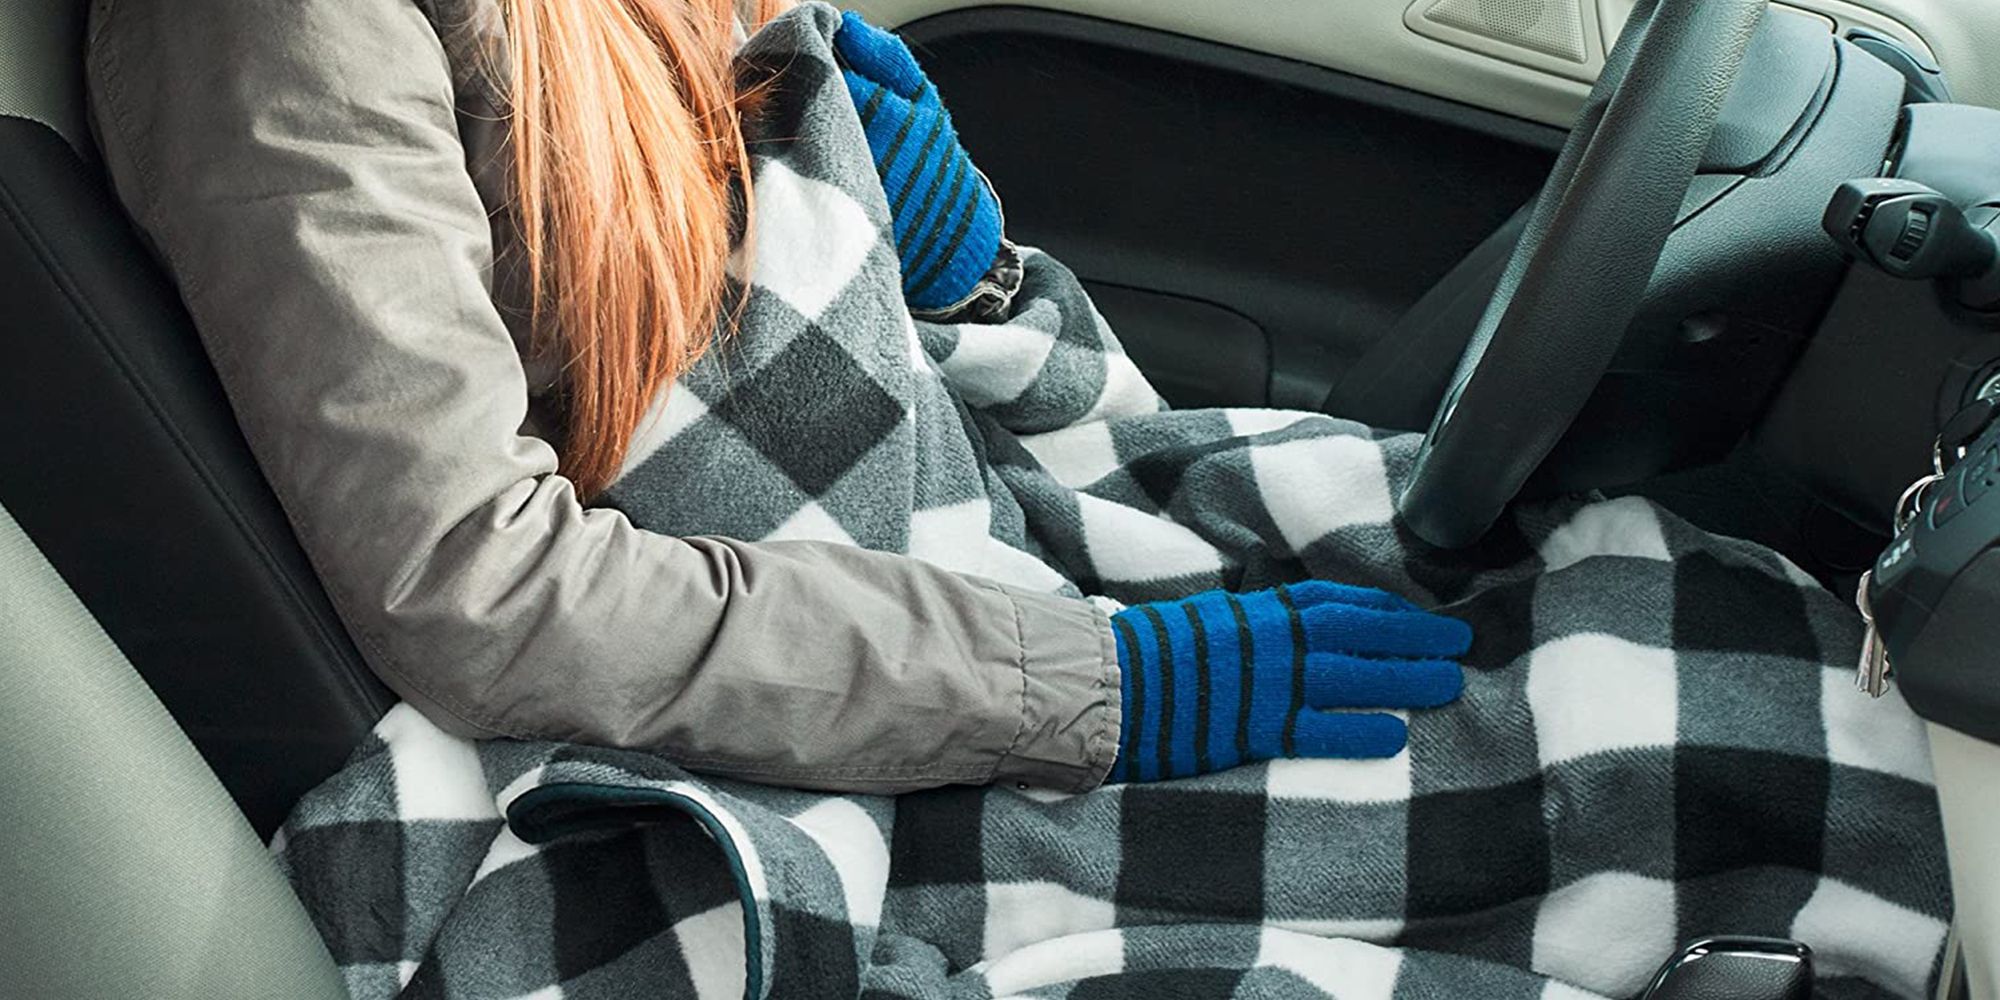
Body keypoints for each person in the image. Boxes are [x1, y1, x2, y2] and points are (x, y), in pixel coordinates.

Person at [82, 0, 1471, 794]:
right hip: (732, 738)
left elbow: (753, 325)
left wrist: (948, 262)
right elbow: (477, 590)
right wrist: (1092, 686)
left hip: (927, 596)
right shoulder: (268, 25)